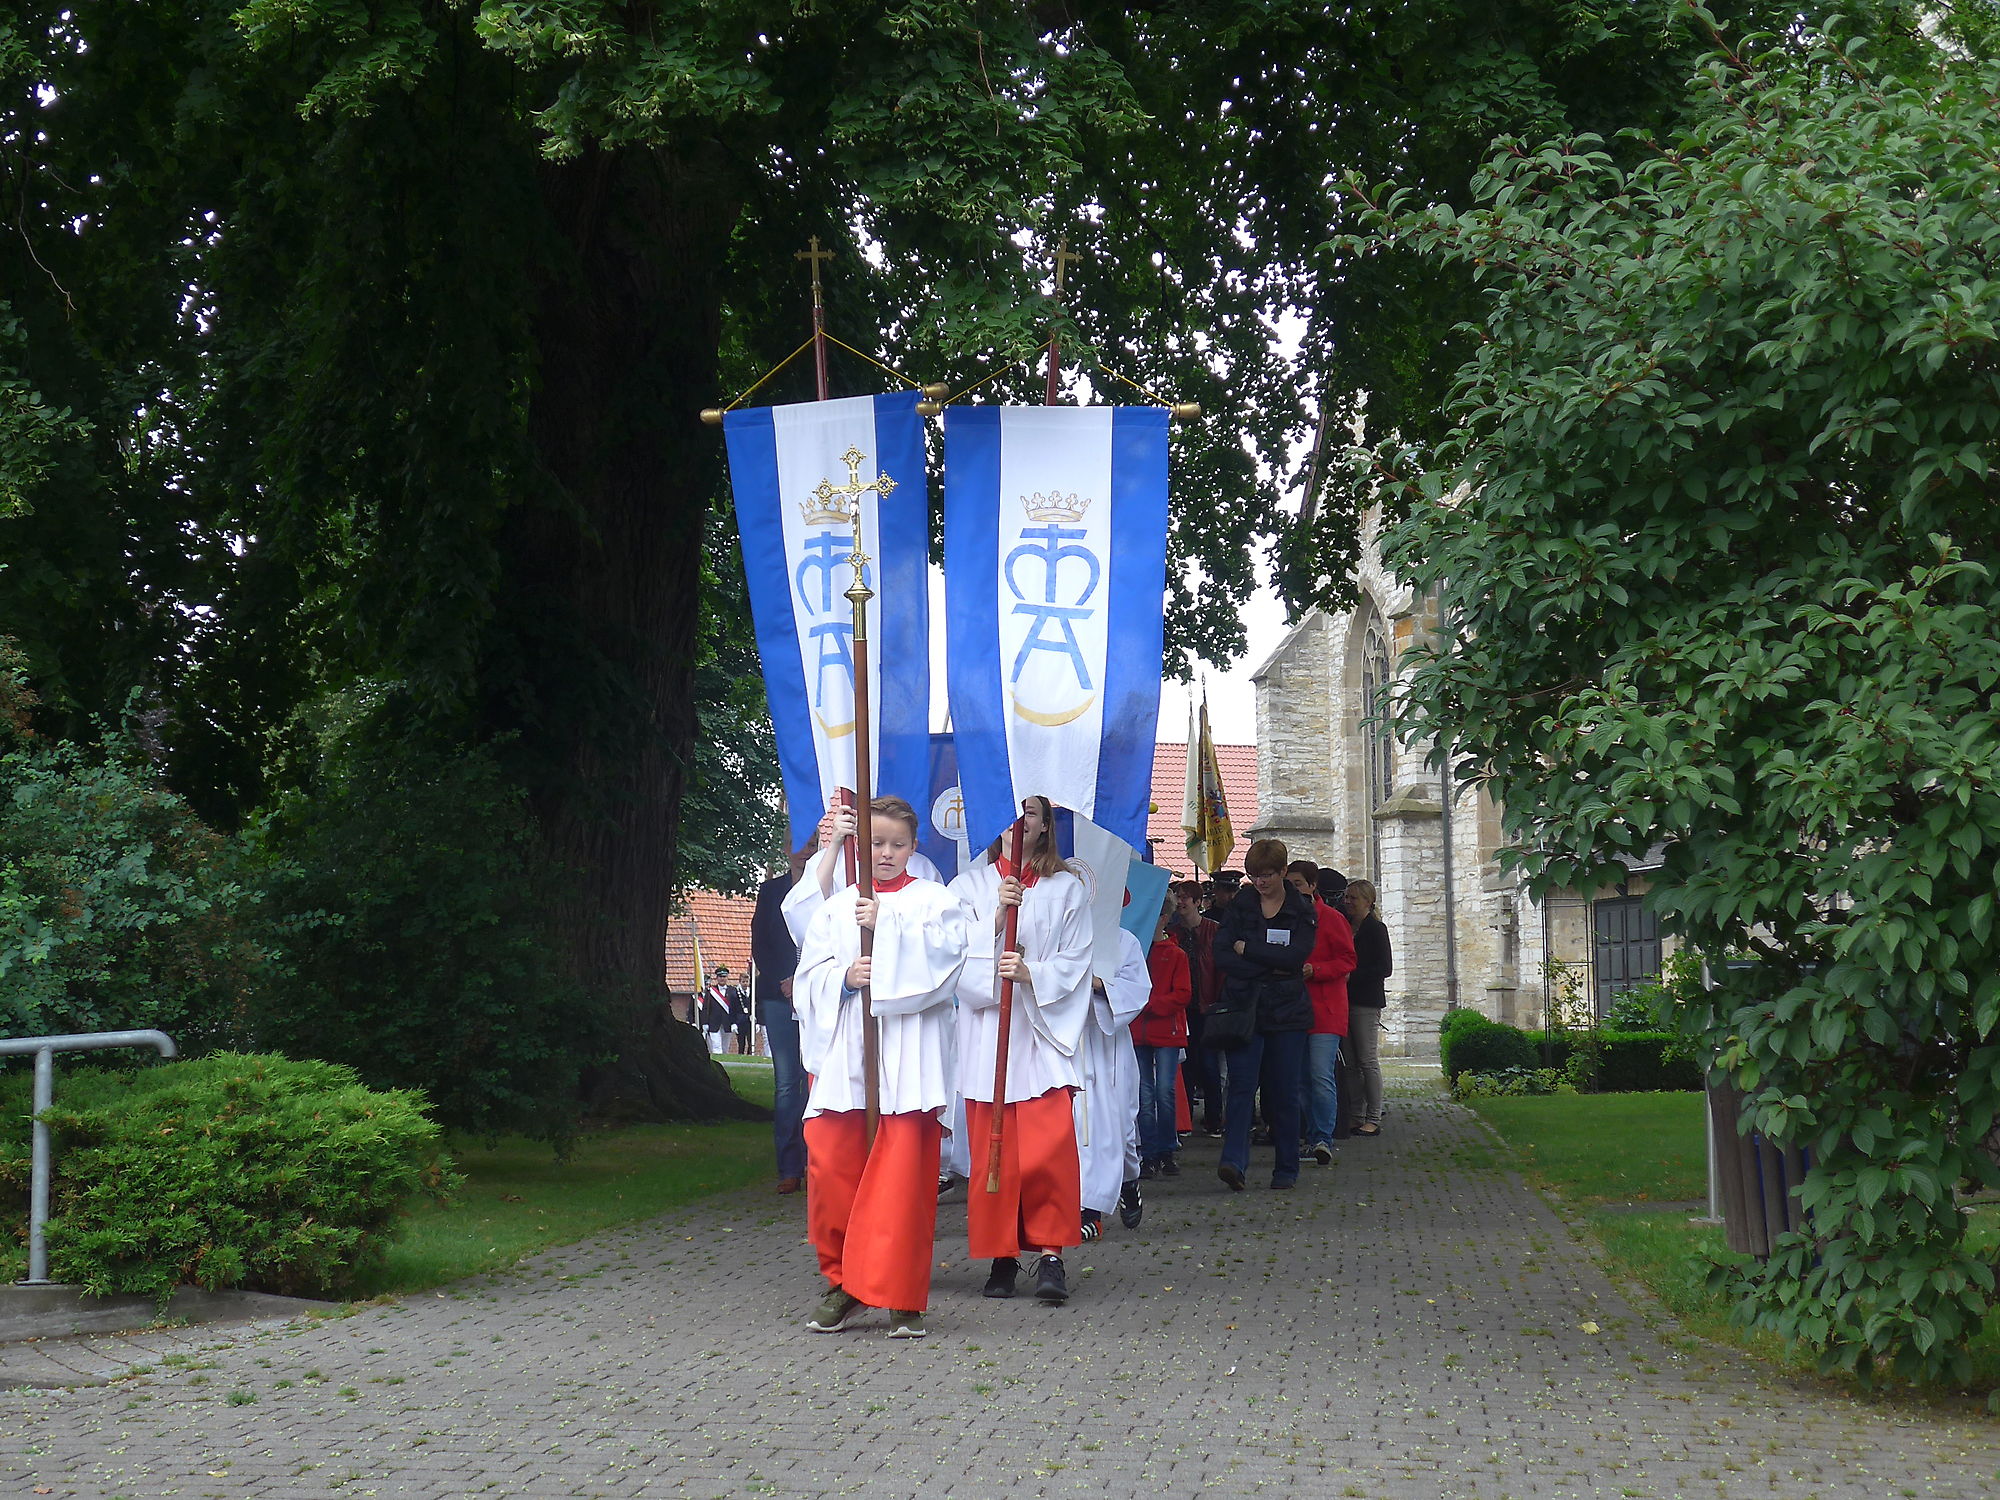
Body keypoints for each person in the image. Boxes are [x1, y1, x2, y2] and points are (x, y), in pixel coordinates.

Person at [794, 795, 968, 1339]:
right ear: (859, 846)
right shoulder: (836, 908)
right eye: (876, 843)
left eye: (897, 844)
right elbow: (808, 977)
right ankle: (845, 1283)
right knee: (832, 1172)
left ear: (914, 847)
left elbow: (945, 966)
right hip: (850, 1055)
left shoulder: (936, 902)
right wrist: (844, 978)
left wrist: (886, 925)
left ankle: (901, 1295)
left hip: (908, 1059)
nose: (887, 854)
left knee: (902, 1184)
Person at [950, 794, 1092, 1304]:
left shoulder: (1066, 888)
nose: (1018, 821)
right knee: (998, 1158)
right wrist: (994, 922)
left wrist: (1033, 973)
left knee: (1049, 1152)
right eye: (1010, 811)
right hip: (989, 1038)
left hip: (1039, 1037)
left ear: (1045, 825)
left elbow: (1078, 958)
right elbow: (948, 957)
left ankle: (1051, 1254)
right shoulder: (968, 887)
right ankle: (1002, 1255)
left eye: (1029, 812)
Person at [1213, 838, 1316, 1191]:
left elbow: (1296, 958)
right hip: (1245, 1009)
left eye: (1267, 875)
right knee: (1241, 1087)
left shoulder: (1301, 910)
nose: (1260, 882)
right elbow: (1223, 955)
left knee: (1284, 1092)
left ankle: (1286, 1168)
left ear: (1283, 872)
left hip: (1288, 1013)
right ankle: (1233, 1163)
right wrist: (1270, 965)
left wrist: (1249, 950)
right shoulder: (1241, 905)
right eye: (1255, 875)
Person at [1076, 920, 1148, 1241]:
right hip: (1072, 1041)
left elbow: (1137, 990)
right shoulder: (1061, 935)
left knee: (1120, 1130)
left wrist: (1098, 985)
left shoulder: (1124, 940)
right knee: (1083, 1126)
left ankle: (1129, 1180)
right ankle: (1089, 1211)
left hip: (1109, 1043)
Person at [752, 842, 812, 1194]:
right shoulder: (770, 892)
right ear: (786, 849)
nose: (804, 851)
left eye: (811, 843)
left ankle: (815, 1160)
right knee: (787, 1082)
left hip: (818, 993)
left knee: (815, 1077)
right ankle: (789, 1167)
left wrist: (805, 979)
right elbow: (760, 944)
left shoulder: (828, 886)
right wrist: (784, 980)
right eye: (797, 844)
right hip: (779, 996)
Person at [1289, 859, 1356, 1164]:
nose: (1294, 890)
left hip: (1326, 1010)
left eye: (1298, 884)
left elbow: (1348, 961)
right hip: (1293, 1009)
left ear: (1312, 885)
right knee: (1301, 1079)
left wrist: (1315, 970)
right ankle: (1311, 1136)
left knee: (1319, 1075)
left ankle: (1323, 1138)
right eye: (1289, 884)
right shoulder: (1285, 918)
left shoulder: (1331, 918)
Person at [1132, 894, 1191, 1179]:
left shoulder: (1176, 954)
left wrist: (1147, 1004)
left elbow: (1183, 994)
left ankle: (1164, 1150)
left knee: (1163, 1092)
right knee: (1146, 1094)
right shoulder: (1137, 951)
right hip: (1143, 1030)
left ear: (1163, 919)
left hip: (1161, 1029)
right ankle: (1151, 1153)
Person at [1169, 879, 1222, 1135]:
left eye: (1185, 897)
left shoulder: (1214, 930)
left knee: (1209, 1064)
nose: (1180, 902)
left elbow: (1220, 969)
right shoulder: (1173, 932)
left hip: (1207, 1005)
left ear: (1198, 902)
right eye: (1178, 897)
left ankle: (1214, 1119)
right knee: (1186, 1065)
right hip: (1182, 1007)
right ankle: (1185, 1120)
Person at [1344, 878, 1393, 1138]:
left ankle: (1373, 1116)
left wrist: (1352, 976)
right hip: (1344, 1000)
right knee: (1350, 1062)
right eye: (1347, 897)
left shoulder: (1376, 929)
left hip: (1365, 1001)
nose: (1348, 902)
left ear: (1368, 901)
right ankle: (1356, 1115)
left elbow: (1384, 967)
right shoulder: (1345, 925)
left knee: (1367, 1060)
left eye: (1353, 898)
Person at [700, 971, 734, 1054]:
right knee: (716, 1047)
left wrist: (734, 1022)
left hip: (727, 1023)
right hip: (714, 1023)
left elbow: (735, 1008)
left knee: (725, 1048)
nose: (722, 979)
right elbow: (705, 1008)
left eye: (724, 977)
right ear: (717, 978)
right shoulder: (711, 991)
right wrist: (705, 1023)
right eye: (720, 977)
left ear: (727, 978)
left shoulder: (732, 990)